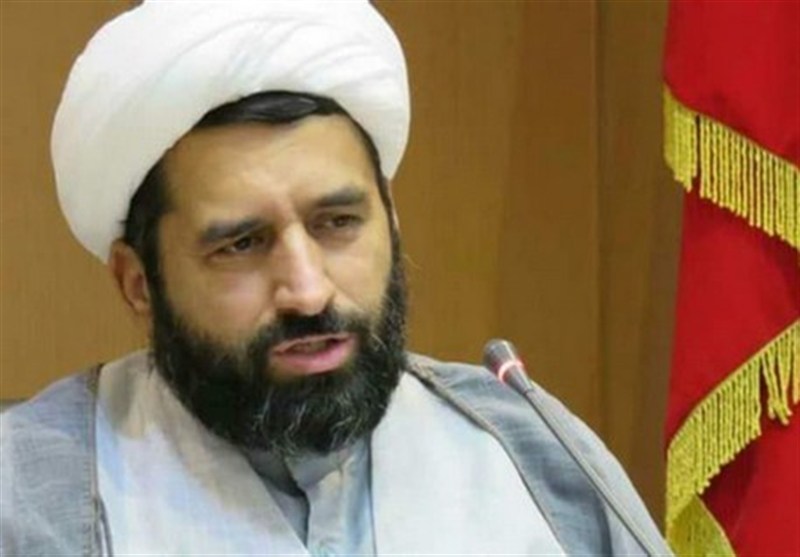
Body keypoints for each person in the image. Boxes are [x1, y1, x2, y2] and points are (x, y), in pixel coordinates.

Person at [0, 2, 671, 555]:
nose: (308, 291)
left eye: (338, 223)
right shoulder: (29, 494)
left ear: (392, 222)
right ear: (137, 282)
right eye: (241, 244)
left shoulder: (531, 450)